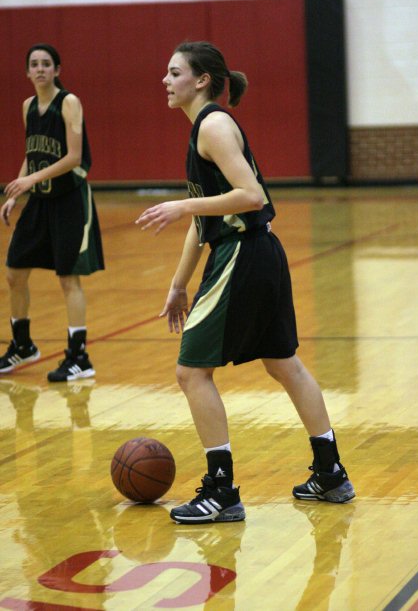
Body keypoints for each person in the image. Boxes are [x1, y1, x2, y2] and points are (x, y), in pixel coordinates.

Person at [136, 41, 355, 524]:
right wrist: (178, 284)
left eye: (174, 73)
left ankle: (221, 491)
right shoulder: (204, 129)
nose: (165, 81)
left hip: (243, 255)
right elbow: (206, 223)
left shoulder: (212, 125)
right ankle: (330, 472)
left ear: (202, 81)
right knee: (286, 365)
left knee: (192, 373)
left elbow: (251, 196)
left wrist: (183, 205)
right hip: (258, 253)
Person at [0, 43, 104, 382]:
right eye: (34, 64)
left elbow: (74, 158)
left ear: (57, 70)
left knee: (67, 278)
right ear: (27, 72)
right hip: (40, 200)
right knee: (14, 271)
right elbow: (33, 153)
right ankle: (22, 345)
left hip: (70, 199)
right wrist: (17, 190)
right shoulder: (28, 106)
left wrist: (31, 178)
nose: (41, 68)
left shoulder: (69, 103)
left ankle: (79, 356)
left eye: (47, 63)